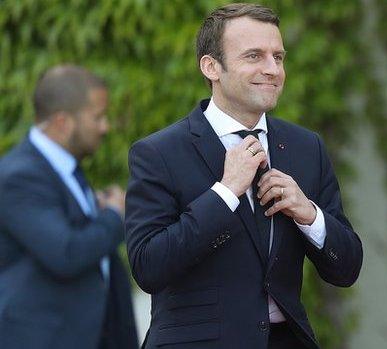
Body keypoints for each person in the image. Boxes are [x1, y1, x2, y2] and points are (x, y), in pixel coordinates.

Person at [124, 3, 363, 348]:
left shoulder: (306, 147)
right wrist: (224, 193)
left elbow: (347, 268)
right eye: (254, 56)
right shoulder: (158, 153)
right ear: (211, 67)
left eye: (278, 57)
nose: (273, 69)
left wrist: (309, 214)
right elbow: (149, 267)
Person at [0, 65, 137, 349]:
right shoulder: (19, 176)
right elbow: (66, 253)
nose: (105, 127)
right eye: (97, 117)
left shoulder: (63, 166)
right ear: (63, 122)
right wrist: (114, 215)